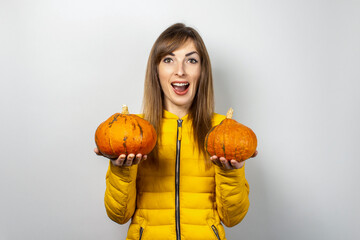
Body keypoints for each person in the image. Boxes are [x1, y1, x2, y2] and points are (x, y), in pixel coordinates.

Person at [94, 23, 258, 240]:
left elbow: (232, 218)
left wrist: (230, 173)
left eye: (191, 60)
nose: (180, 70)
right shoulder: (134, 135)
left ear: (202, 71)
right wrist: (121, 171)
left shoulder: (222, 132)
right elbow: (119, 216)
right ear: (156, 70)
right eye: (168, 60)